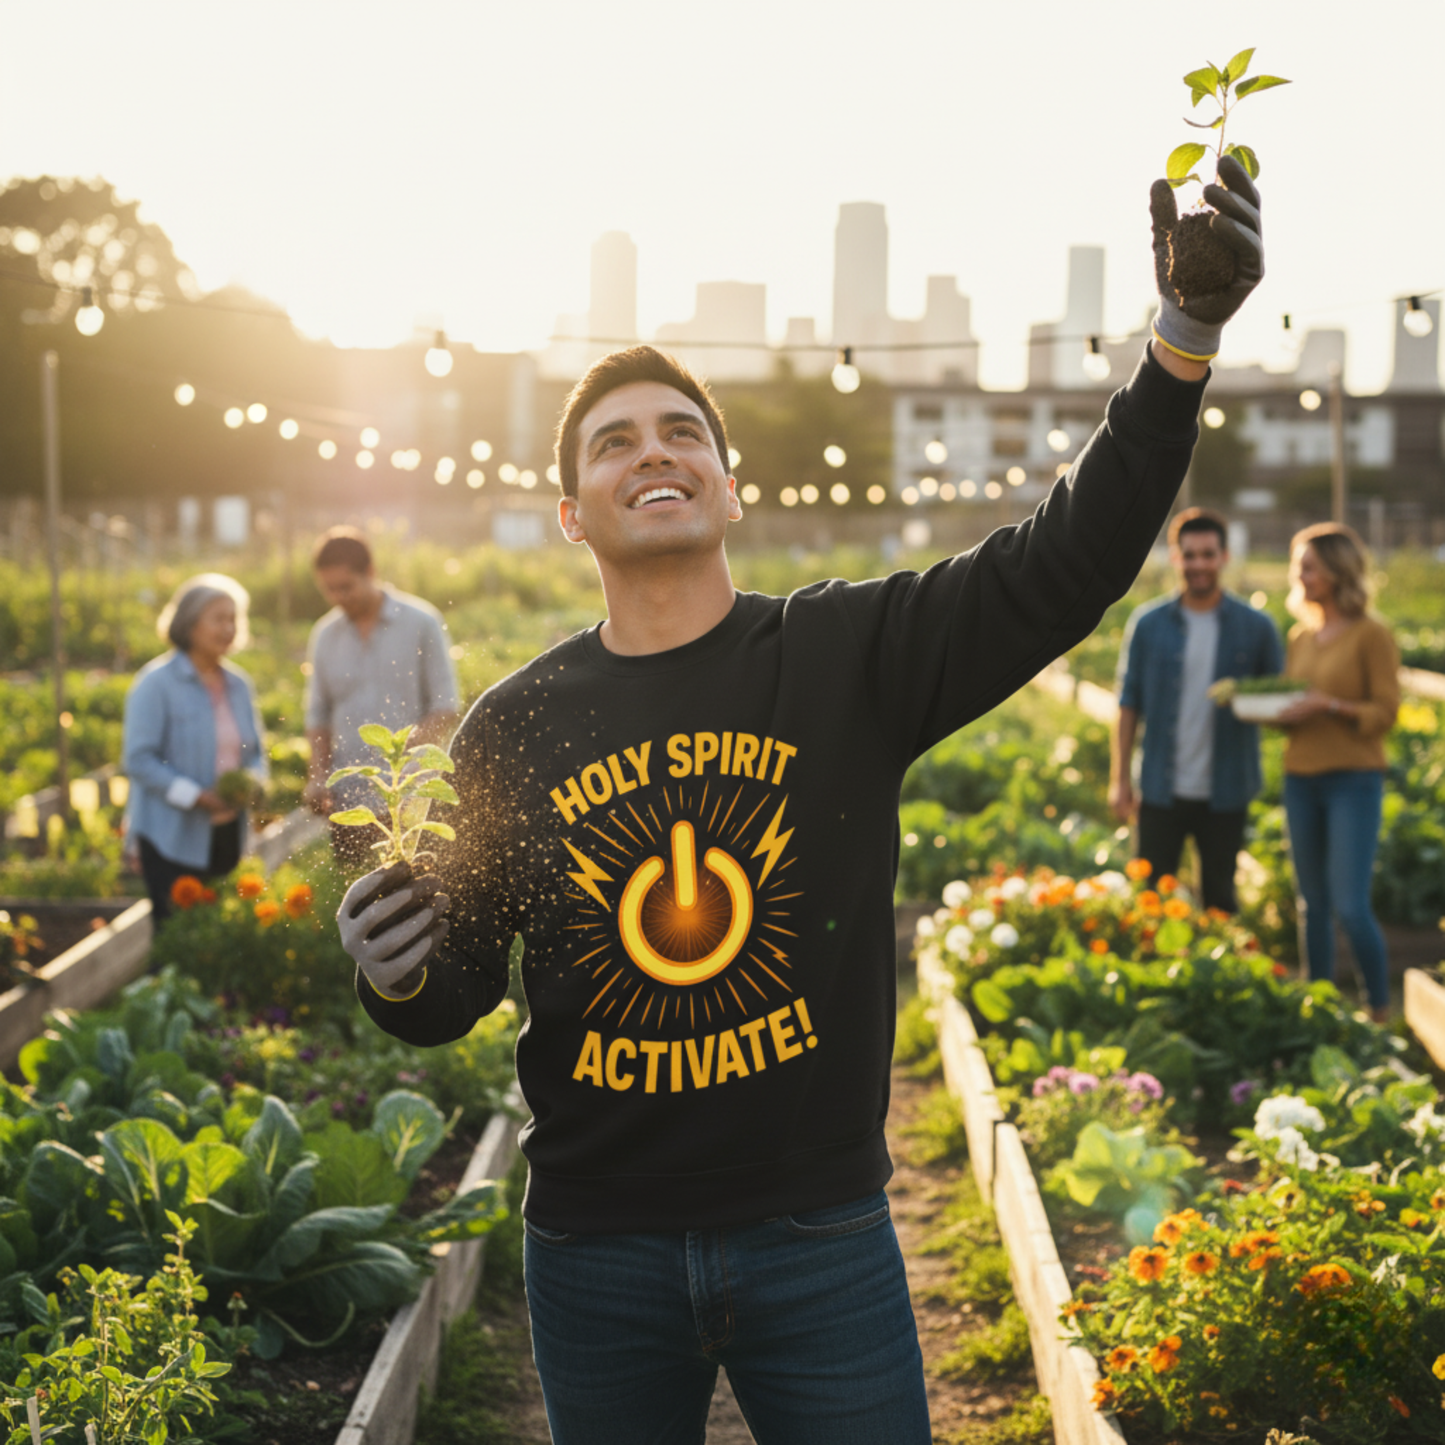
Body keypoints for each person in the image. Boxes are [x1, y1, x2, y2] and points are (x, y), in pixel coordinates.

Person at [336, 159, 1264, 1443]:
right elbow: (462, 984)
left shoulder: (844, 658)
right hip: (597, 1250)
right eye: (614, 442)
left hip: (818, 1236)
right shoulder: (516, 724)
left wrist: (1181, 345)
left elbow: (1063, 564)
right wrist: (393, 974)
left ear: (727, 486)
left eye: (679, 435)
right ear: (572, 512)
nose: (650, 453)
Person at [1110, 507, 1284, 911]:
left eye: (1208, 554)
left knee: (1220, 898)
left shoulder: (1256, 627)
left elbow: (1276, 697)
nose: (1199, 564)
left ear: (1224, 557)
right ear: (1175, 558)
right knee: (1151, 899)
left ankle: (1215, 972)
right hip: (1159, 787)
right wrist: (1119, 779)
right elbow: (1128, 702)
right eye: (1190, 555)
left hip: (1227, 788)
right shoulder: (1148, 623)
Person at [1274, 523, 1399, 1022]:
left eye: (1309, 566)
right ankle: (1319, 1008)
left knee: (1349, 905)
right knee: (1312, 905)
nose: (1300, 575)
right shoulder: (1300, 636)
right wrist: (1275, 711)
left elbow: (1385, 713)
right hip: (1300, 776)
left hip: (1353, 780)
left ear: (1337, 572)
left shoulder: (1373, 634)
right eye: (1298, 566)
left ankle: (1379, 1009)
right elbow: (1293, 705)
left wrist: (1331, 706)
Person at [301, 527, 461, 865]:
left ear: (370, 573)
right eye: (329, 590)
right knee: (358, 902)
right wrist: (317, 777)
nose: (338, 597)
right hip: (351, 802)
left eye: (346, 587)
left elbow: (445, 707)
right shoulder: (325, 635)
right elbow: (318, 716)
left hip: (412, 799)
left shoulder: (421, 622)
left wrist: (399, 765)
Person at [122, 574, 266, 928]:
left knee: (221, 932)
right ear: (189, 623)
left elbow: (256, 753)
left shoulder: (238, 685)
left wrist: (252, 783)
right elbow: (139, 759)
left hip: (228, 830)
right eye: (218, 618)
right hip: (171, 836)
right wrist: (198, 796)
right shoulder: (156, 684)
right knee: (176, 933)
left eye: (233, 618)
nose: (228, 628)